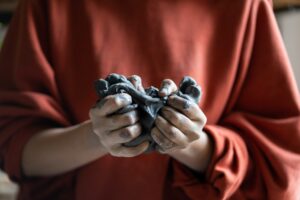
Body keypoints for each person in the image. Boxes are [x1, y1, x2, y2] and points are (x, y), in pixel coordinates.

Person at [0, 0, 299, 199]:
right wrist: (96, 136)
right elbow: (13, 146)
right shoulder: (49, 5)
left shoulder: (242, 6)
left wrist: (189, 142)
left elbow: (279, 165)